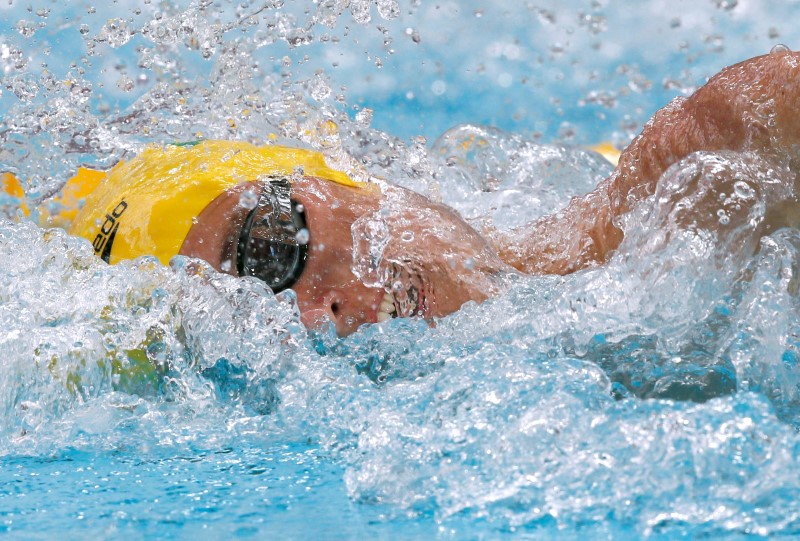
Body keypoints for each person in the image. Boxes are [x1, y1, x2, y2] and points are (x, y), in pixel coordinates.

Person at [12, 49, 800, 338]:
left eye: (273, 248)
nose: (315, 311)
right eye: (251, 313)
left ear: (348, 181)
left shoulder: (691, 187)